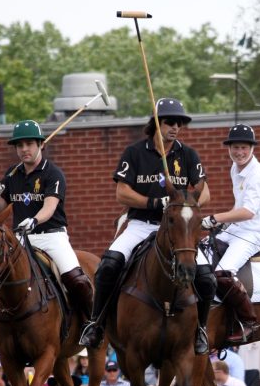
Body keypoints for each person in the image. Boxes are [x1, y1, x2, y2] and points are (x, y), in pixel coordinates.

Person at [79, 98, 213, 355]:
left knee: (206, 276)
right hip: (141, 224)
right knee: (108, 265)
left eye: (180, 123)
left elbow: (204, 191)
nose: (176, 127)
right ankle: (96, 323)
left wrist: (184, 202)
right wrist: (153, 201)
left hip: (177, 228)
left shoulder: (188, 155)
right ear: (156, 124)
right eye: (170, 122)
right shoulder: (135, 153)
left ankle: (202, 329)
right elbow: (122, 193)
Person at [0, 120, 93, 353]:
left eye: (29, 144)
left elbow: (50, 207)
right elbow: (3, 209)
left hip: (51, 236)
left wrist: (35, 220)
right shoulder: (12, 174)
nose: (24, 150)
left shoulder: (53, 173)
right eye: (19, 145)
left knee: (76, 278)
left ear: (41, 144)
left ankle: (92, 324)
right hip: (20, 238)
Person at [201, 124, 260, 344]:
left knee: (223, 273)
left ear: (252, 148)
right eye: (235, 148)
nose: (239, 152)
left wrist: (216, 218)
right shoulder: (236, 168)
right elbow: (238, 204)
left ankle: (249, 322)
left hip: (255, 231)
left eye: (243, 148)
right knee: (199, 253)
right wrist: (222, 227)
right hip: (237, 228)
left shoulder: (257, 174)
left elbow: (248, 212)